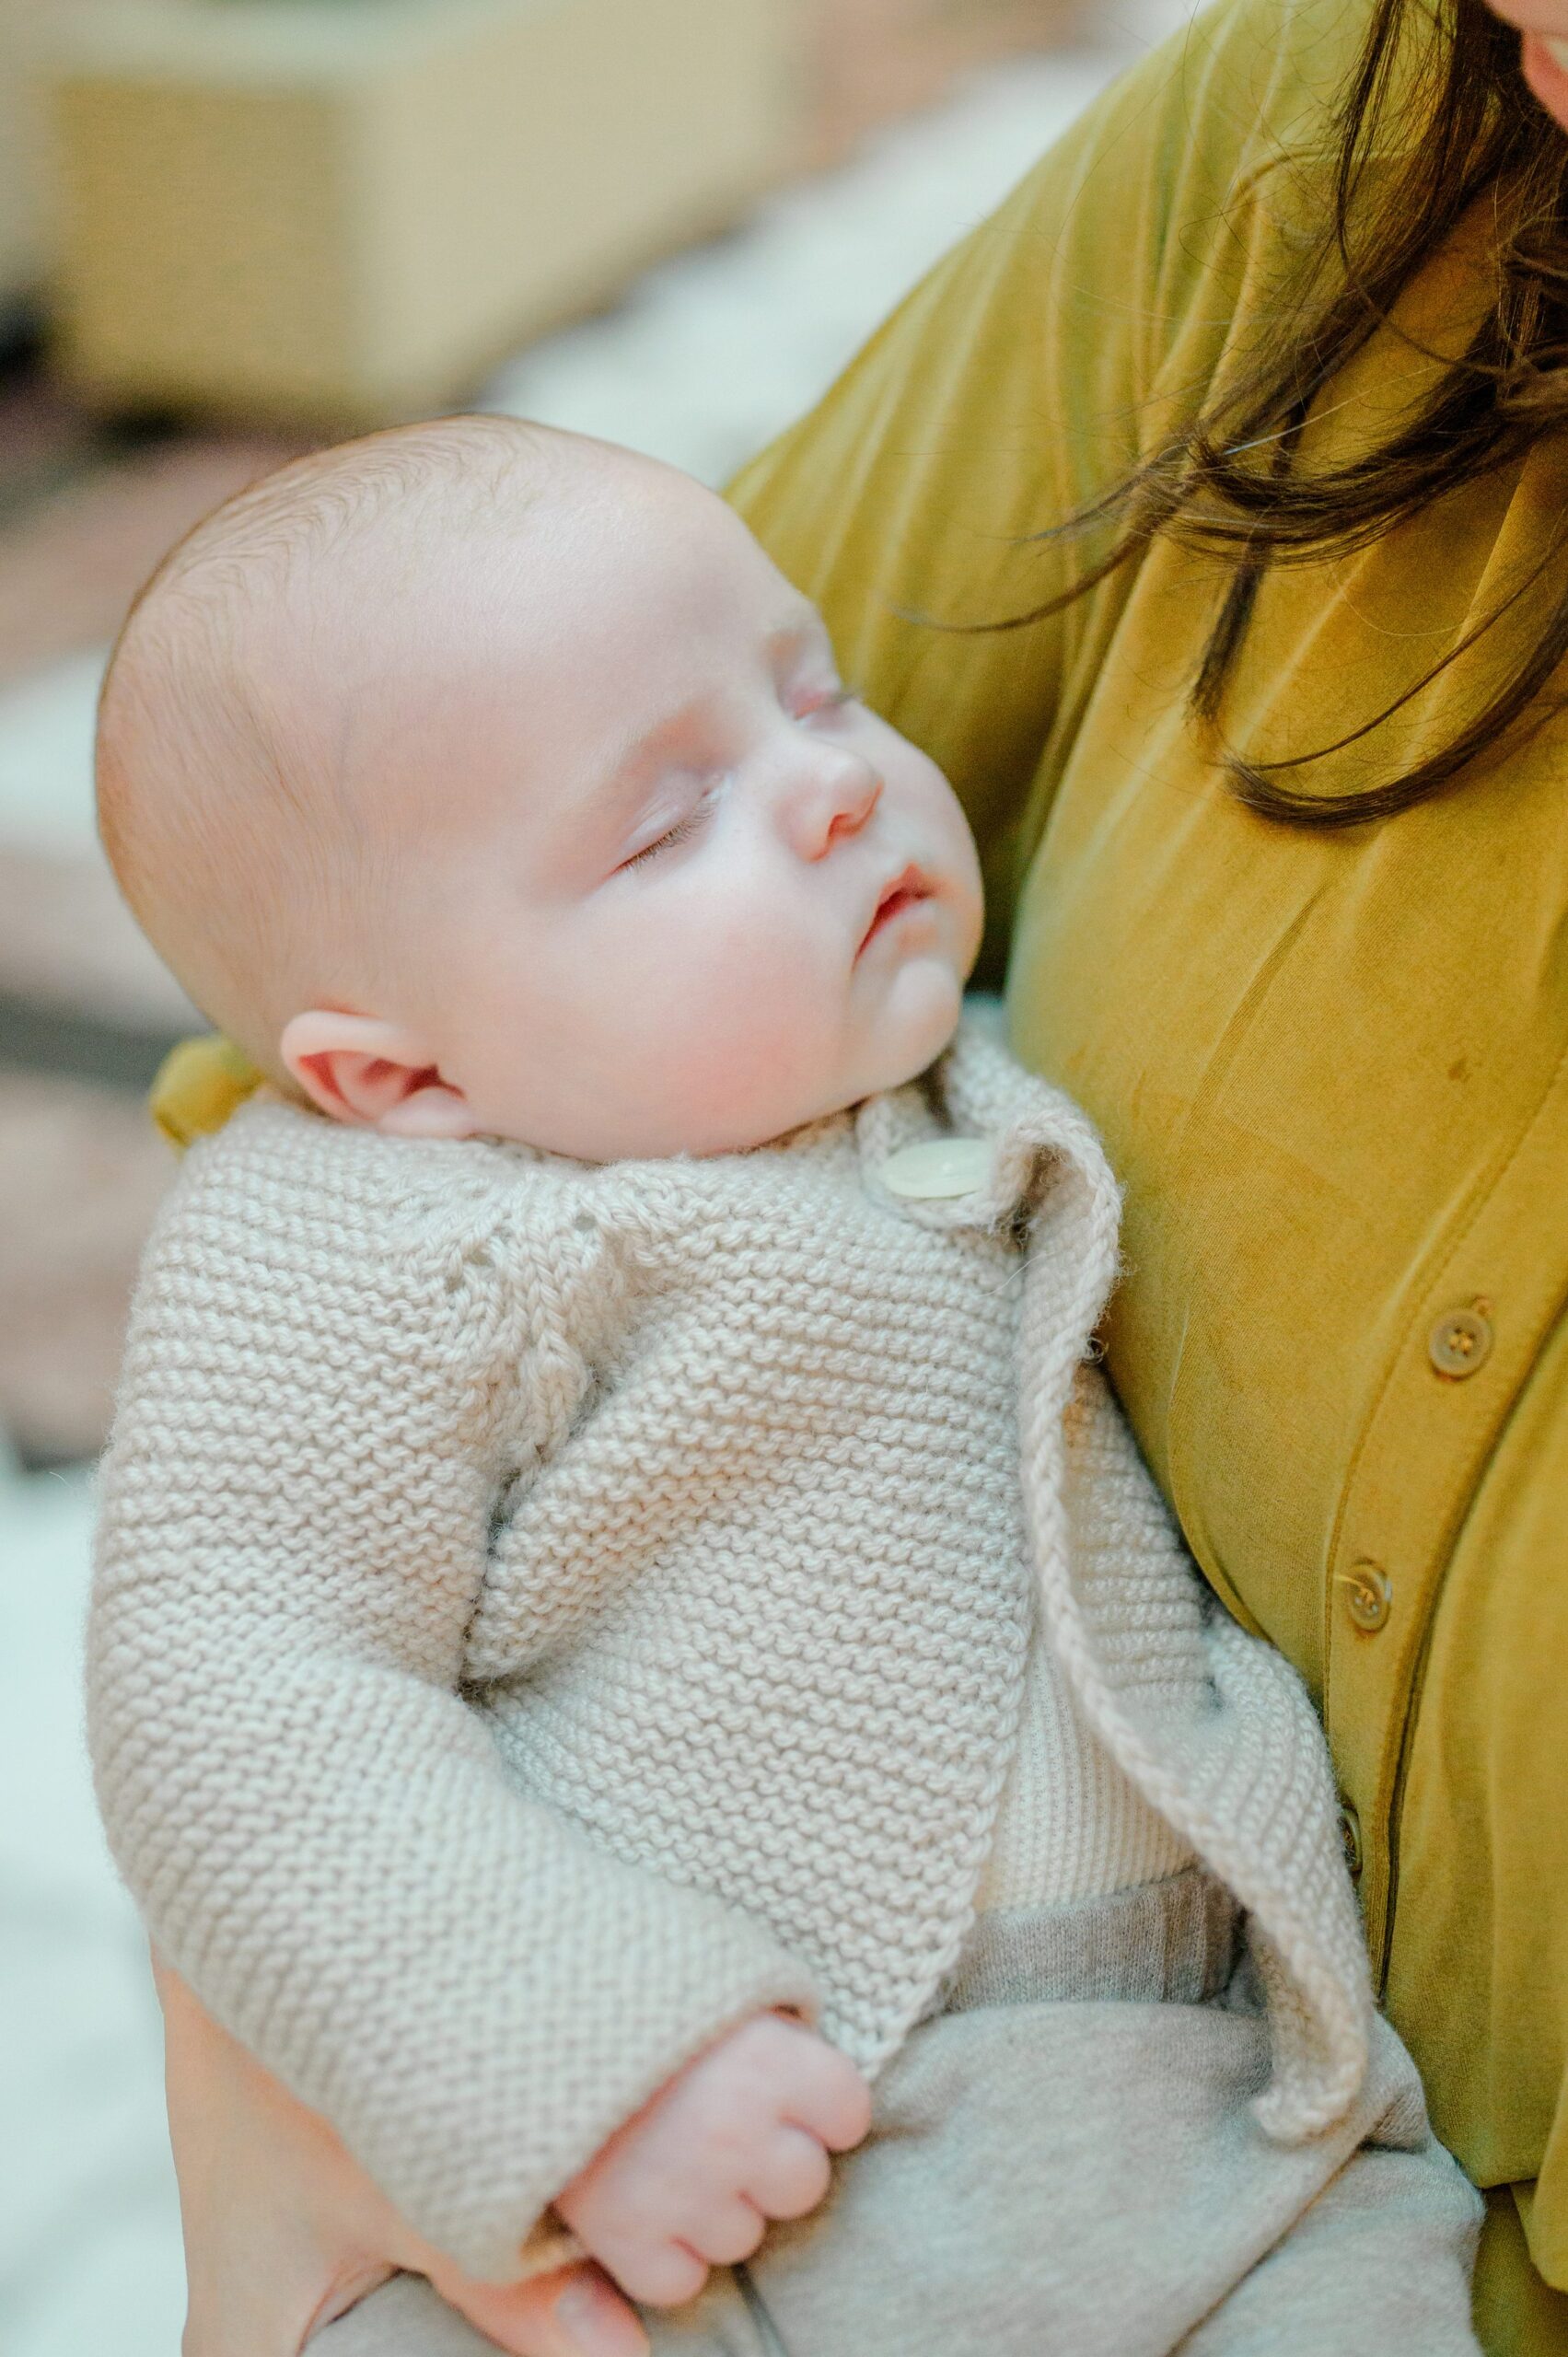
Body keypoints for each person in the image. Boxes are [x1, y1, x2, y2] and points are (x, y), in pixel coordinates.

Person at [133, 0, 1568, 2351]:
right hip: (704, 2148)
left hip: (1229, 2145)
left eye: (817, 695)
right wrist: (541, 2055)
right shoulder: (390, 1229)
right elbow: (231, 1661)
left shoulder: (938, 1104)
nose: (823, 785)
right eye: (665, 818)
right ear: (393, 1072)